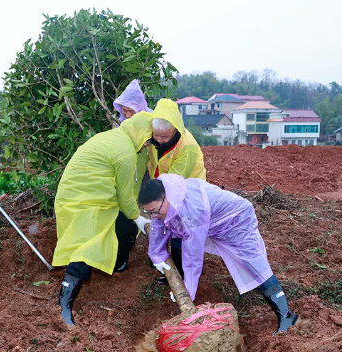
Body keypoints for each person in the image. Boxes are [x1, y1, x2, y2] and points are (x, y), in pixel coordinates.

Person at [139, 174, 298, 335]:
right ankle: (181, 275)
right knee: (177, 238)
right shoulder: (166, 198)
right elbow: (158, 225)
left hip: (237, 219)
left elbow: (193, 255)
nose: (153, 216)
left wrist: (187, 290)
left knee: (254, 264)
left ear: (166, 199)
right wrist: (156, 255)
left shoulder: (192, 211)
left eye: (154, 211)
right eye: (148, 212)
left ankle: (286, 315)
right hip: (211, 222)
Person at [53, 112, 152, 326]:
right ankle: (64, 306)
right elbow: (126, 199)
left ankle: (117, 264)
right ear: (140, 133)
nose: (147, 143)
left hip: (81, 195)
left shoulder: (116, 137)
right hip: (85, 201)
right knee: (88, 246)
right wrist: (141, 219)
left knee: (125, 229)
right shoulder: (125, 153)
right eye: (147, 138)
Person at [146, 98, 207, 285]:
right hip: (163, 184)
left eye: (165, 137)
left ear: (176, 129)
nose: (159, 139)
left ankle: (183, 274)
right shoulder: (153, 136)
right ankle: (167, 264)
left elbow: (174, 183)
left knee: (183, 232)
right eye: (156, 135)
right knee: (165, 223)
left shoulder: (186, 146)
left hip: (186, 189)